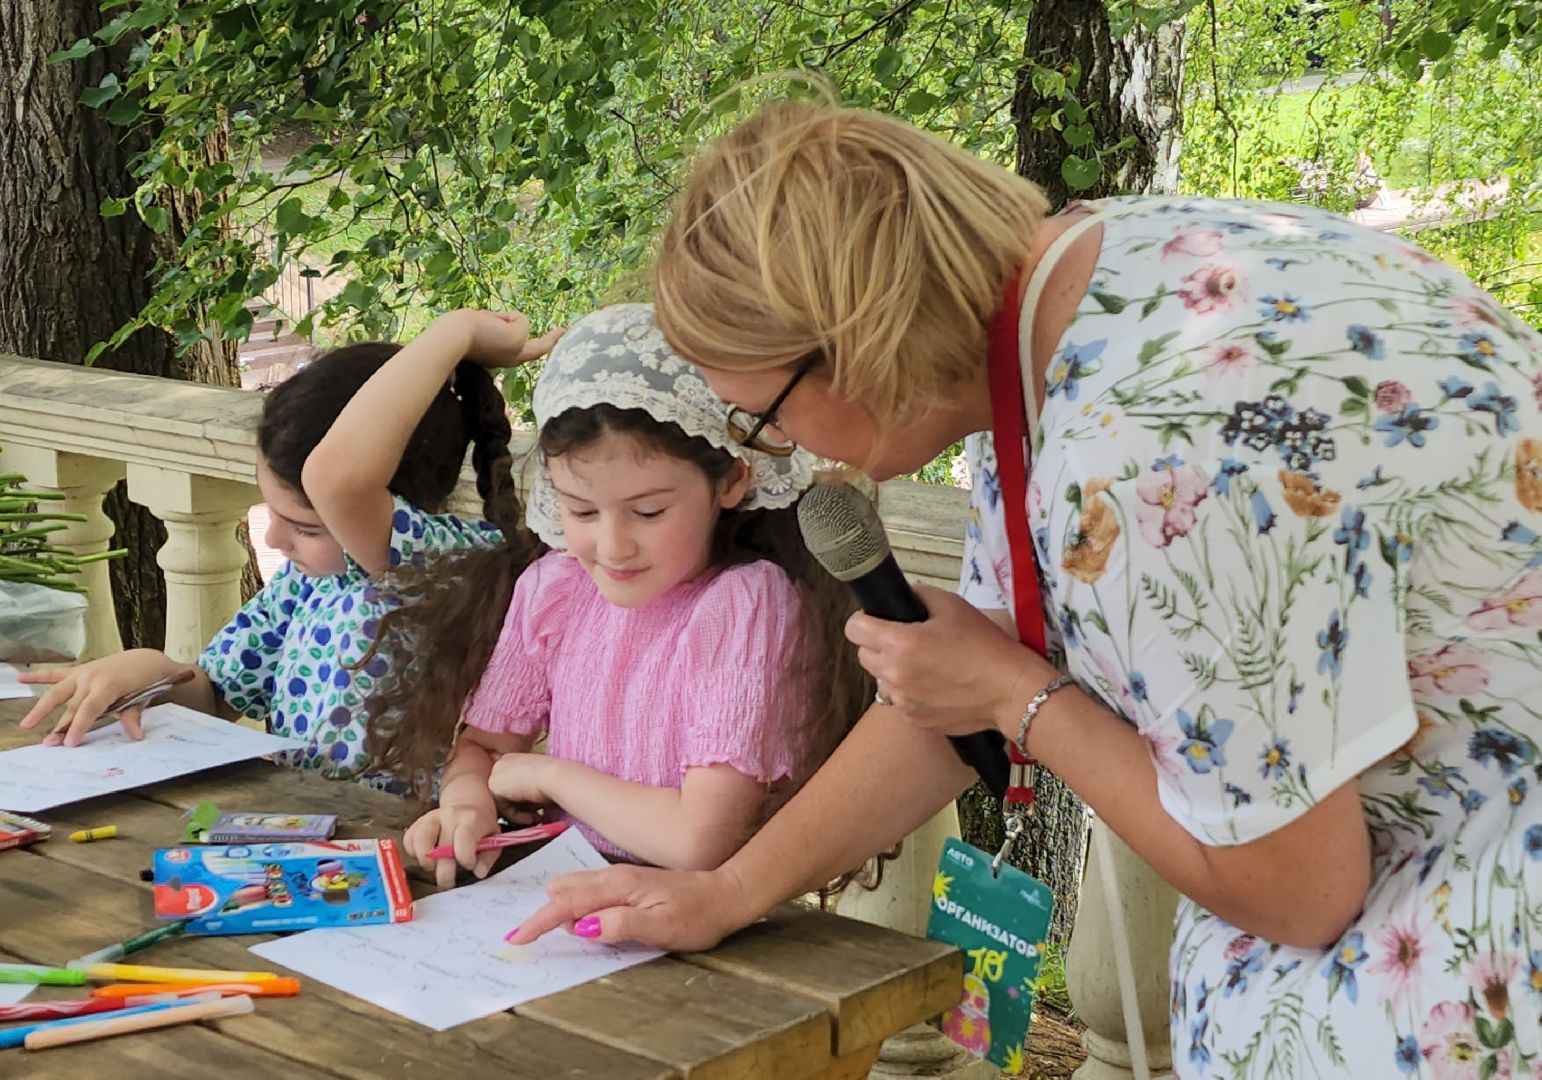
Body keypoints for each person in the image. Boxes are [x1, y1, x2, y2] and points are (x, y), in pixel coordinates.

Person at [513, 100, 1542, 1076]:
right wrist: (727, 889)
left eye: (759, 417)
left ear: (858, 350)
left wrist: (1021, 701)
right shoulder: (1088, 286)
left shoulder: (1148, 460)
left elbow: (1299, 892)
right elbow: (959, 677)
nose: (774, 449)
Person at [376, 303, 870, 885]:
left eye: (648, 511)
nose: (612, 547)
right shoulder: (558, 588)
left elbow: (699, 840)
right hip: (577, 897)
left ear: (732, 480)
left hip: (706, 932)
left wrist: (550, 777)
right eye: (581, 509)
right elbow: (484, 747)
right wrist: (465, 802)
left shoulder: (743, 605)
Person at [20, 310, 559, 791]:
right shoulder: (309, 584)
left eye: (304, 526)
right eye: (271, 512)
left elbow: (340, 479)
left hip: (409, 850)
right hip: (304, 832)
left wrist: (457, 331)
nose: (274, 540)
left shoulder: (447, 564)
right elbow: (216, 694)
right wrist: (147, 673)